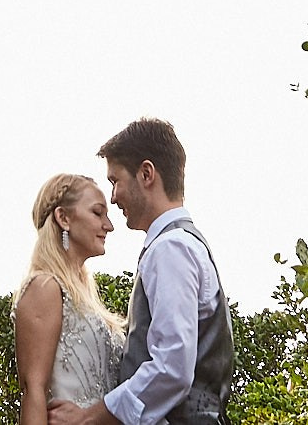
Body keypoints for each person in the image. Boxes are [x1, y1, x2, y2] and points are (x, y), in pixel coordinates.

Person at [49, 118, 233, 425]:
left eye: (115, 180)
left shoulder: (170, 248)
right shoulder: (182, 243)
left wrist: (89, 418)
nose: (113, 196)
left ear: (146, 174)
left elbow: (172, 368)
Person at [15, 173, 125, 425]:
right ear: (63, 218)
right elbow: (33, 391)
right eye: (98, 213)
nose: (108, 225)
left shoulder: (88, 299)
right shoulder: (44, 287)